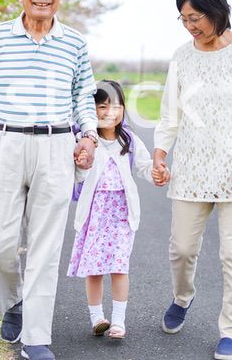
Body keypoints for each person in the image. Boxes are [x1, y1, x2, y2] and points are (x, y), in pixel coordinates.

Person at [0, 0, 99, 360]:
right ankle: (14, 304)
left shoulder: (74, 42)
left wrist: (88, 137)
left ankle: (36, 338)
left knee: (45, 245)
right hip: (7, 143)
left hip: (57, 147)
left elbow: (83, 97)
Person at [153, 0, 232, 360]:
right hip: (190, 169)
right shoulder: (181, 56)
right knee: (182, 249)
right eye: (184, 19)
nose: (191, 26)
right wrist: (160, 151)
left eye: (196, 17)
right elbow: (170, 112)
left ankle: (231, 332)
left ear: (218, 12)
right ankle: (182, 297)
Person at [68, 80, 168, 340]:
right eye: (102, 106)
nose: (110, 112)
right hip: (93, 214)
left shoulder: (129, 139)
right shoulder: (85, 140)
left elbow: (145, 166)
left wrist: (157, 172)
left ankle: (119, 322)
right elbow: (77, 175)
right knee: (94, 269)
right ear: (91, 110)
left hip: (121, 214)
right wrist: (81, 162)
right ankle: (97, 318)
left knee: (119, 266)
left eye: (116, 106)